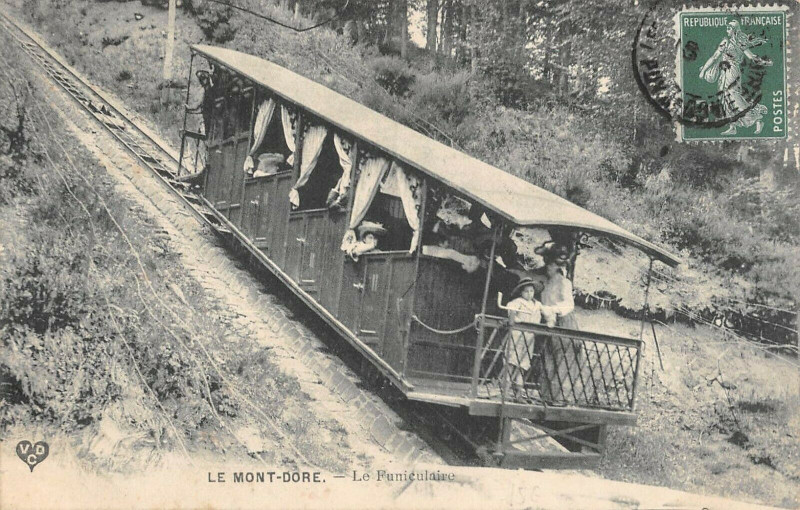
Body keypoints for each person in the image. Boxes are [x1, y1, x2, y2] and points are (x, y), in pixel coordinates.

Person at [698, 21, 771, 135]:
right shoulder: (725, 42)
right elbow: (714, 57)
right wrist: (703, 71)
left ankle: (756, 119)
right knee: (724, 98)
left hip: (732, 71)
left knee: (733, 96)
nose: (727, 29)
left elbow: (751, 56)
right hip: (724, 72)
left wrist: (764, 62)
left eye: (729, 27)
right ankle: (733, 127)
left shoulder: (740, 42)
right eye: (727, 27)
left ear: (735, 30)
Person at [503, 277, 544, 400]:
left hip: (529, 337)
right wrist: (517, 319)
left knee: (522, 365)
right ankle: (505, 391)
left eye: (531, 291)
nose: (529, 294)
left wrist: (551, 318)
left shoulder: (537, 305)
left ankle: (518, 393)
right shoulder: (517, 302)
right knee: (511, 362)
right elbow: (511, 312)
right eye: (526, 291)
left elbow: (547, 312)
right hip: (517, 335)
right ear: (521, 292)